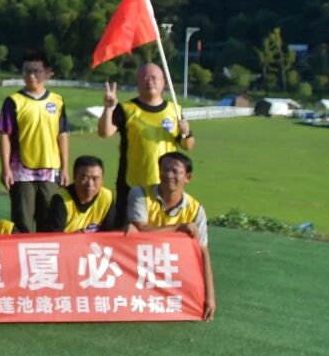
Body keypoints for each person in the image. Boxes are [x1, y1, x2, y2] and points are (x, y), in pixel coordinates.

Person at [97, 63, 196, 218]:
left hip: (166, 184)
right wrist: (109, 108)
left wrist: (187, 133)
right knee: (129, 228)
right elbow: (104, 133)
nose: (149, 82)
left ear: (163, 82)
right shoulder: (126, 108)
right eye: (145, 78)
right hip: (132, 184)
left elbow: (188, 145)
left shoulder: (174, 110)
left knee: (161, 229)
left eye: (154, 78)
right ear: (138, 83)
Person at [125, 151, 216, 320]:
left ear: (188, 177)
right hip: (137, 271)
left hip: (173, 275)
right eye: (164, 169)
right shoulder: (140, 194)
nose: (168, 175)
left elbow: (202, 251)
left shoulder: (196, 210)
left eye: (175, 171)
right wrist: (178, 228)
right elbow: (140, 231)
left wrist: (210, 297)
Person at [0, 49, 69, 232]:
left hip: (50, 170)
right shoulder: (13, 101)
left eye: (36, 71)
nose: (31, 76)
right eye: (26, 71)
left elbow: (62, 135)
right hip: (21, 171)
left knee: (50, 222)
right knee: (23, 223)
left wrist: (65, 168)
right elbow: (5, 135)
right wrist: (5, 169)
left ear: (47, 72)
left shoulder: (57, 101)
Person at [44, 155, 116, 233]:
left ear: (102, 180)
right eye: (85, 178)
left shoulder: (106, 197)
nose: (90, 184)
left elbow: (110, 233)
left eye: (95, 179)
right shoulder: (61, 200)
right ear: (74, 177)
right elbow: (53, 236)